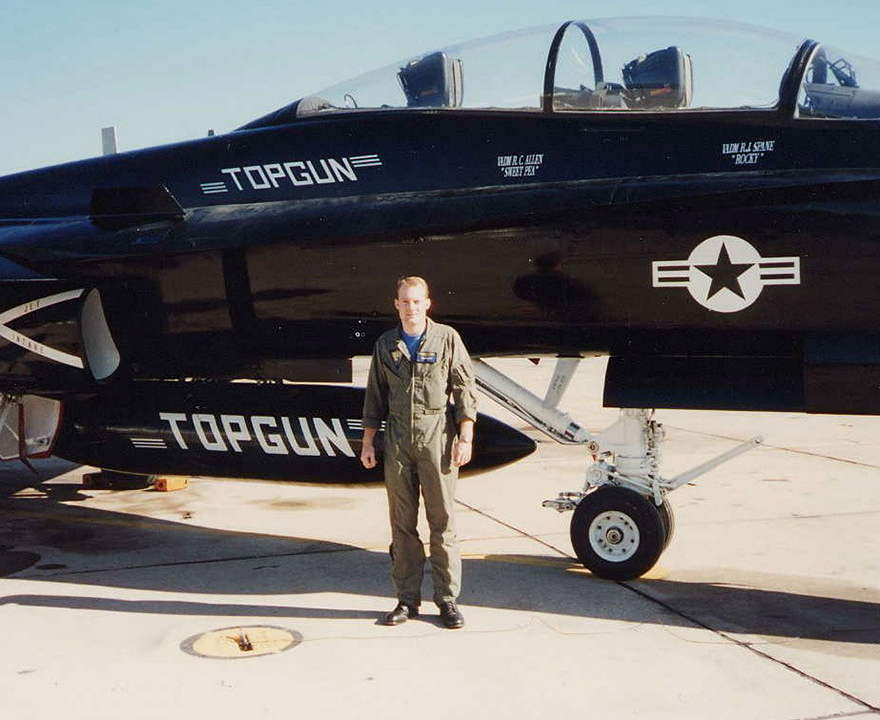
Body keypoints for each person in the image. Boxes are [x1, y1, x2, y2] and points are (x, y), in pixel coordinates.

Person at [361, 276, 477, 629]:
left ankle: (447, 600)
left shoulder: (447, 339)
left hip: (437, 436)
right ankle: (406, 600)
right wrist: (368, 442)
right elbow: (374, 396)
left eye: (416, 301)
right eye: (404, 302)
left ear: (428, 303)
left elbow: (464, 389)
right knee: (402, 525)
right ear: (396, 304)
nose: (410, 308)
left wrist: (465, 436)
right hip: (397, 439)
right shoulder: (386, 344)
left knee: (442, 523)